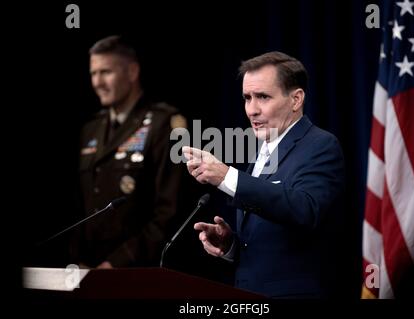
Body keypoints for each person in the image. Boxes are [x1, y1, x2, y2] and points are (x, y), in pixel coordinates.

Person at [183, 51, 346, 298]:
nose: (252, 110)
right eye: (247, 98)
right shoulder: (264, 150)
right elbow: (270, 239)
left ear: (296, 99)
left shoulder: (320, 145)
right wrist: (230, 245)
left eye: (262, 97)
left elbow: (305, 209)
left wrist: (227, 177)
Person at [73, 35, 186, 268]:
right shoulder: (90, 129)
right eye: (93, 73)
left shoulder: (164, 124)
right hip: (88, 271)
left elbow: (170, 212)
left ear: (132, 72)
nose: (97, 82)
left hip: (137, 271)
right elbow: (81, 205)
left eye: (106, 72)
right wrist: (78, 260)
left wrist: (116, 263)